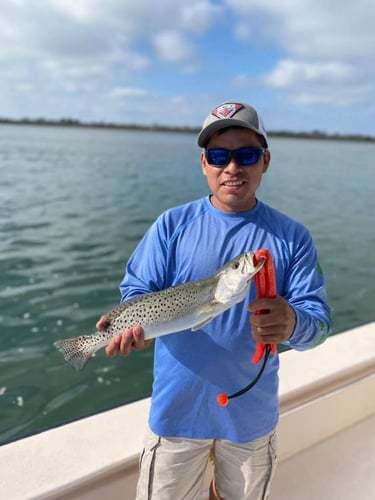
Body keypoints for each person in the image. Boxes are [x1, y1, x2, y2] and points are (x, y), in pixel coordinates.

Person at [97, 101, 332, 500]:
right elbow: (136, 291)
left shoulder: (293, 238)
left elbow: (319, 326)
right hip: (176, 414)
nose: (232, 167)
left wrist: (292, 323)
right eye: (219, 156)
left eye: (246, 155)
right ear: (204, 164)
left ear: (265, 161)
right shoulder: (171, 225)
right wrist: (131, 325)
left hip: (250, 421)